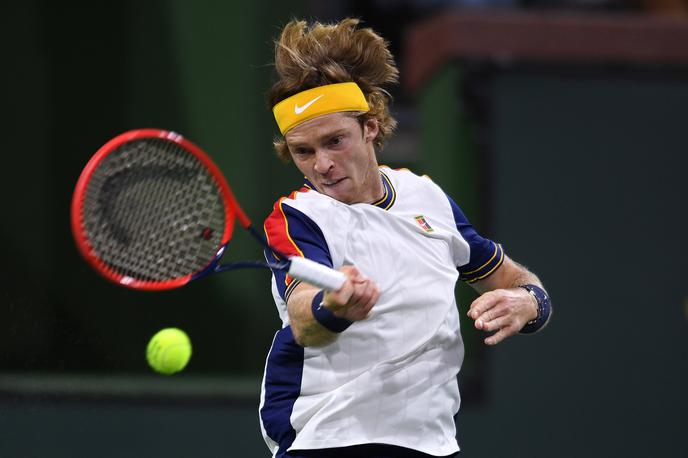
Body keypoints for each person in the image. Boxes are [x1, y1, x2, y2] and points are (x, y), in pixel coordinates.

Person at [260, 18, 552, 458]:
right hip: (330, 436)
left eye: (335, 141)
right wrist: (333, 308)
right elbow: (304, 318)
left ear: (371, 127)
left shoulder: (427, 198)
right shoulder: (298, 217)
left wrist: (530, 303)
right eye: (304, 151)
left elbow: (516, 281)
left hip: (430, 442)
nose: (321, 164)